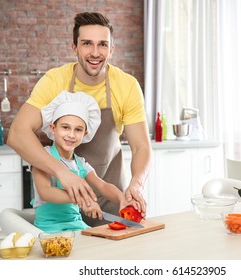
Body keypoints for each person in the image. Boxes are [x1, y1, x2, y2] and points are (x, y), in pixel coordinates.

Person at [8, 12, 151, 226]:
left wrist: (136, 184)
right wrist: (63, 173)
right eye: (87, 44)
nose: (95, 53)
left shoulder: (127, 85)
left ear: (111, 49)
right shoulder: (55, 80)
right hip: (63, 207)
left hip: (112, 203)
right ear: (74, 47)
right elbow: (17, 134)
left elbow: (141, 146)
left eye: (103, 44)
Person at [31, 91, 139, 232]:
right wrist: (84, 200)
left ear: (85, 134)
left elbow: (103, 186)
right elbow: (46, 192)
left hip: (77, 226)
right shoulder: (43, 156)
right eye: (65, 127)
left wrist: (121, 198)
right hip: (49, 229)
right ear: (53, 128)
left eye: (78, 130)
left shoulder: (80, 163)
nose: (71, 135)